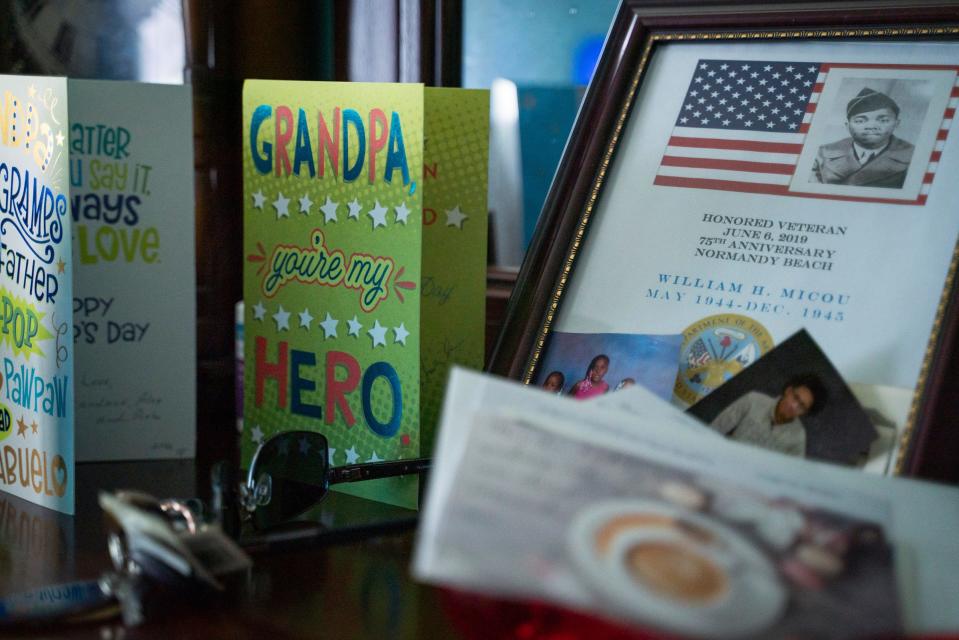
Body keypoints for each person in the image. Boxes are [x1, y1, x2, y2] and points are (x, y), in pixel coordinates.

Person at [810, 87, 914, 188]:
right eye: (860, 121)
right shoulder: (821, 154)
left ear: (896, 123)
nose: (871, 126)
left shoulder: (913, 156)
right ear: (847, 125)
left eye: (883, 120)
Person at [708, 373, 827, 457]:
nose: (793, 406)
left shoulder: (798, 437)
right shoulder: (753, 400)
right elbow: (717, 428)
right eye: (795, 397)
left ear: (805, 413)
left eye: (801, 406)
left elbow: (791, 475)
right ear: (788, 391)